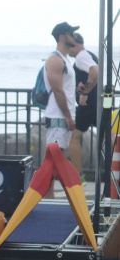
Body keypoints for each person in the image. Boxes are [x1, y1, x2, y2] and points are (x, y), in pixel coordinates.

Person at [42, 22, 80, 197]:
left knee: (57, 160)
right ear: (63, 37)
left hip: (63, 117)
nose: (75, 37)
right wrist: (68, 116)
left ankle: (50, 196)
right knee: (52, 161)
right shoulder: (55, 59)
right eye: (71, 34)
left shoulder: (65, 60)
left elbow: (63, 88)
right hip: (58, 118)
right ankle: (47, 197)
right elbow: (57, 90)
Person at [68, 33, 105, 182]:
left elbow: (94, 71)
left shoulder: (81, 56)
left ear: (74, 43)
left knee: (73, 138)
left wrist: (86, 91)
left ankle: (79, 178)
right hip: (99, 103)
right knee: (108, 136)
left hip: (88, 104)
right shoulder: (91, 55)